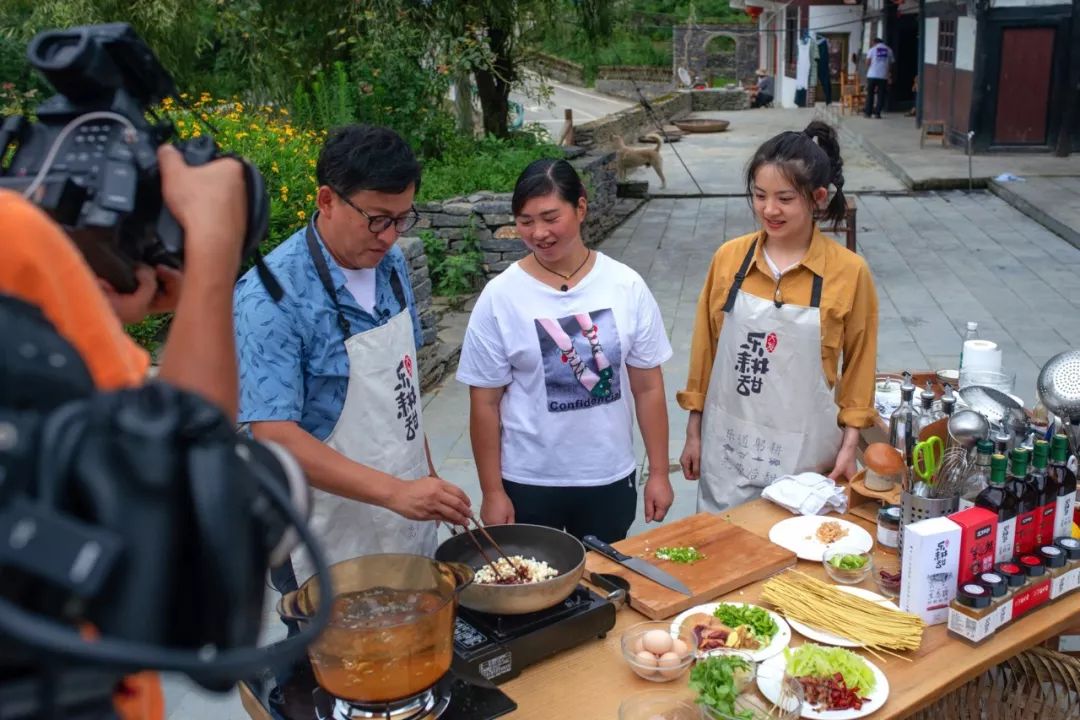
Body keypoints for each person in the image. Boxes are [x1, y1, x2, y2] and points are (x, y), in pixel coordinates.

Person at [0, 147, 251, 719]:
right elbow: (178, 489)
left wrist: (95, 313)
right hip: (72, 685)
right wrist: (214, 243)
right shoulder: (11, 239)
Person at [233, 124, 471, 585]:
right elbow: (274, 433)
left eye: (402, 218)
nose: (389, 236)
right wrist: (395, 492)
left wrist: (427, 477)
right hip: (323, 528)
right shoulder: (269, 296)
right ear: (327, 200)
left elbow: (403, 386)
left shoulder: (392, 265)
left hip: (405, 509)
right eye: (377, 218)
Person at [457, 158, 674, 543]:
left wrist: (657, 473)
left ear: (581, 208)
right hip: (527, 479)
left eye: (550, 217)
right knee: (531, 589)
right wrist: (492, 491)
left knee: (604, 592)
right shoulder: (501, 297)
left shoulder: (625, 286)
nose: (539, 233)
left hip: (608, 475)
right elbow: (484, 403)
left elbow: (648, 388)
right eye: (525, 221)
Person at [678, 121, 879, 513]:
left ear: (817, 197)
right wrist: (693, 431)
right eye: (759, 196)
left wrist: (851, 443)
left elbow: (860, 364)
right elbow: (705, 351)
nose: (769, 210)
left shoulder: (849, 272)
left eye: (785, 198)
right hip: (730, 450)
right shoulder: (729, 259)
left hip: (806, 456)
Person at [864, 37, 895, 118]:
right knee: (881, 95)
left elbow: (867, 62)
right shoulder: (889, 50)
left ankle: (868, 113)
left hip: (872, 75)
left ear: (874, 42)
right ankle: (877, 113)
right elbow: (891, 64)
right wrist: (888, 73)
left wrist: (872, 65)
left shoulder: (872, 49)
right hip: (883, 76)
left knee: (870, 94)